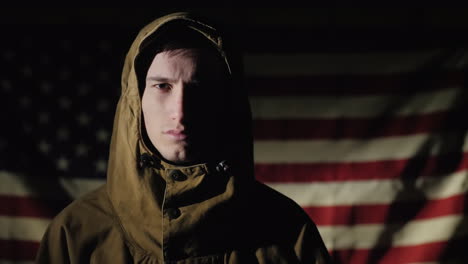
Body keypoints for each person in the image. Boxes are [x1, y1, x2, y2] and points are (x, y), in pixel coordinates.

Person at [36, 12, 332, 263]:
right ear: (134, 100)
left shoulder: (287, 232)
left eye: (200, 88)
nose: (180, 111)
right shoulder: (75, 233)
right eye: (162, 86)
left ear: (226, 103)